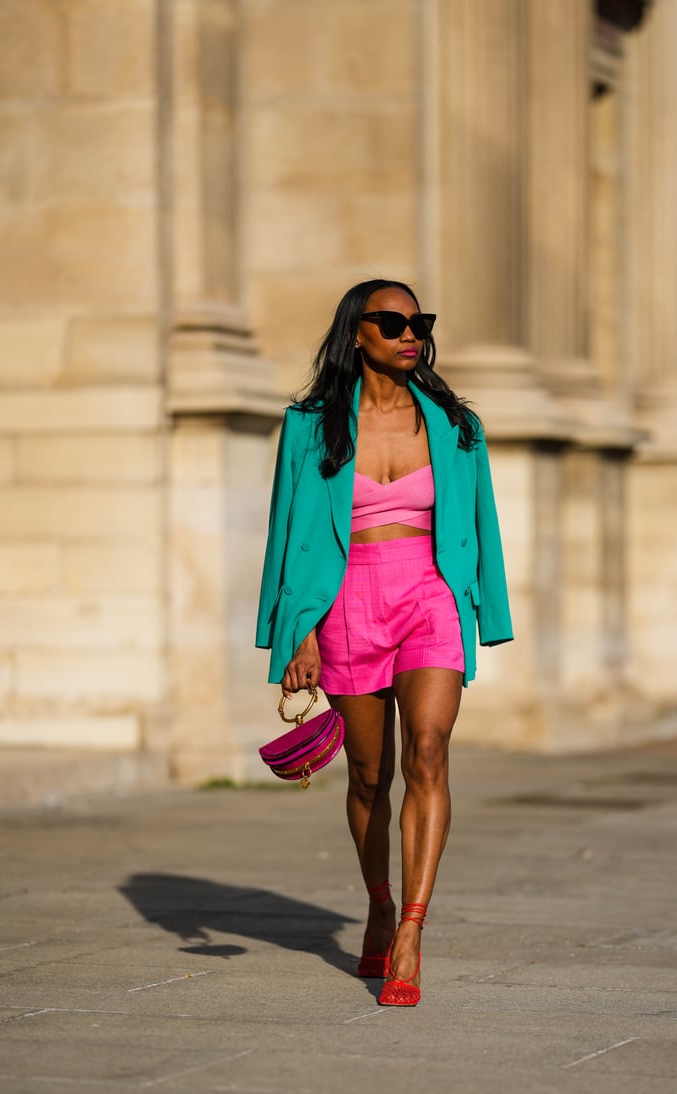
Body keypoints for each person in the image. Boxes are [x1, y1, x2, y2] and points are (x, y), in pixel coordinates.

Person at [256, 279, 512, 1006]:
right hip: (344, 602)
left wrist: (485, 612)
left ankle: (411, 930)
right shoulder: (310, 425)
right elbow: (289, 536)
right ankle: (377, 900)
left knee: (428, 750)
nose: (411, 333)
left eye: (419, 321)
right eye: (392, 321)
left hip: (428, 593)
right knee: (369, 775)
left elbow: (480, 526)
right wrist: (294, 634)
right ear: (357, 333)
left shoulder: (457, 425)